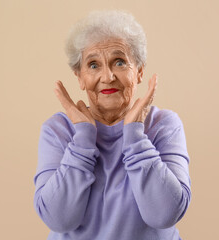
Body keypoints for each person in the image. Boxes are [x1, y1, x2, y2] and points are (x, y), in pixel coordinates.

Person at [33, 10, 191, 240]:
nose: (107, 77)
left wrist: (135, 135)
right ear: (80, 77)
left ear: (139, 71)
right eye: (93, 65)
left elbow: (164, 215)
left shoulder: (164, 125)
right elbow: (59, 219)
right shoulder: (58, 130)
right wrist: (83, 139)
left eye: (119, 62)